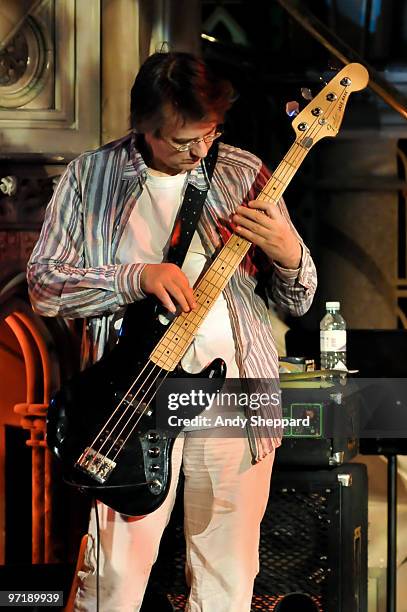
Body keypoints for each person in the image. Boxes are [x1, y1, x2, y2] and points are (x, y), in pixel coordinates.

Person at [27, 51, 317, 612]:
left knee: (228, 571)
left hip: (236, 392)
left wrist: (287, 253)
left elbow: (298, 299)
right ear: (144, 128)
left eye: (209, 134)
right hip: (132, 394)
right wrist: (136, 277)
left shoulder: (241, 170)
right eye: (182, 141)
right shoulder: (93, 176)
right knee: (114, 573)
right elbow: (43, 285)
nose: (199, 152)